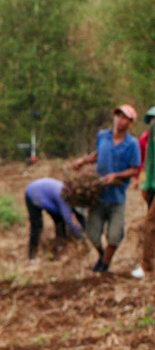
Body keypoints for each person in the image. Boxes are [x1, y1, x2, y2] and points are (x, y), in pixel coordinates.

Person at [72, 104, 141, 272]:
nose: (120, 120)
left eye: (124, 118)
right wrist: (83, 161)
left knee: (115, 235)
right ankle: (103, 257)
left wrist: (116, 176)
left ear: (130, 123)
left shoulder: (132, 144)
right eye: (118, 116)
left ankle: (104, 264)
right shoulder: (103, 136)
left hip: (116, 197)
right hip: (98, 195)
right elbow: (98, 154)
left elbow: (134, 169)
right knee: (93, 233)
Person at [24, 177, 85, 260]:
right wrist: (81, 236)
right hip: (33, 194)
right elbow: (69, 221)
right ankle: (32, 255)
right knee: (37, 226)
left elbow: (79, 215)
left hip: (46, 194)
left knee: (59, 219)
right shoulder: (64, 198)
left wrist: (85, 228)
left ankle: (60, 244)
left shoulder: (70, 194)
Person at [132, 105, 155, 279]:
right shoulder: (146, 139)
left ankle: (147, 266)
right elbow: (146, 163)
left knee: (151, 224)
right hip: (152, 184)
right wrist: (144, 184)